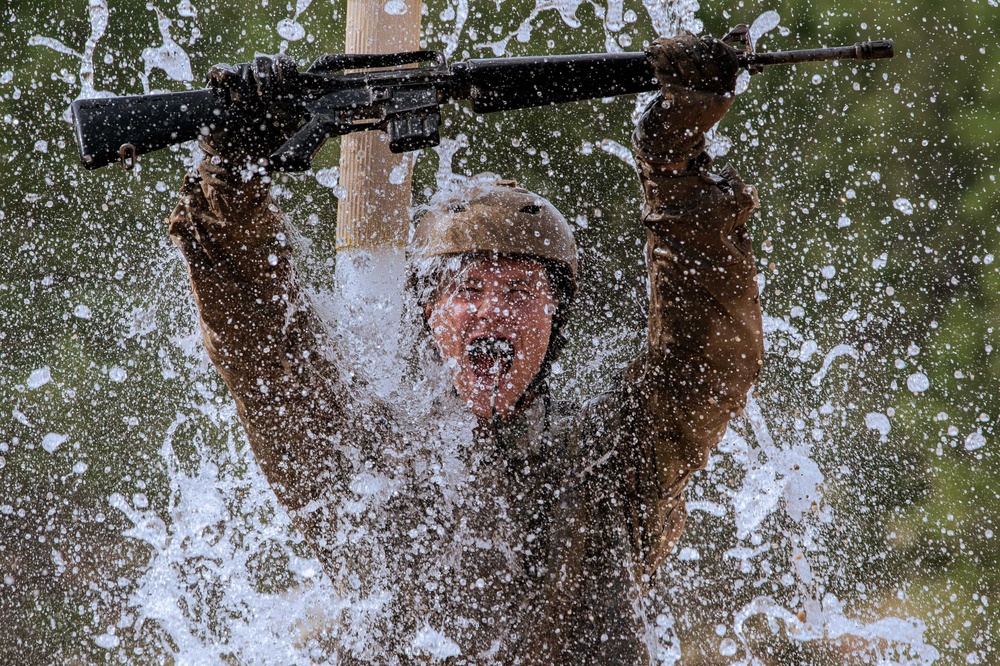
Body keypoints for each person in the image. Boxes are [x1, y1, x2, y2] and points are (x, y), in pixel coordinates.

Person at [167, 33, 763, 665]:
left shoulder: (612, 467)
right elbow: (263, 347)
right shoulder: (364, 459)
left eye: (519, 290)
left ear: (555, 314)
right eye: (468, 288)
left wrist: (674, 166)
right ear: (429, 312)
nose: (492, 310)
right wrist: (233, 175)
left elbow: (706, 356)